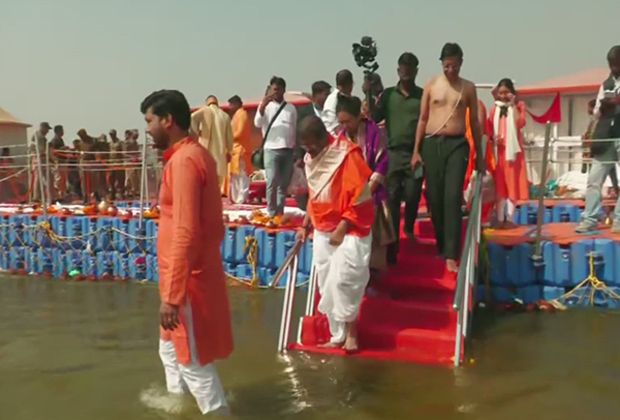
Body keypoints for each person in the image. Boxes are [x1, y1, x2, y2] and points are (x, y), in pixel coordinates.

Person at [141, 89, 233, 415]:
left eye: (150, 121)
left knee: (191, 360)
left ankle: (217, 413)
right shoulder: (193, 154)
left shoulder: (184, 162)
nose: (148, 129)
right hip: (182, 274)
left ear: (168, 120)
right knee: (170, 351)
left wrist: (174, 296)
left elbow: (185, 231)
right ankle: (178, 407)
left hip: (188, 281)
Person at [297, 116, 375, 352]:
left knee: (345, 280)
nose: (308, 151)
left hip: (350, 227)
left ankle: (352, 333)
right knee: (326, 282)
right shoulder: (310, 158)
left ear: (323, 138)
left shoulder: (347, 154)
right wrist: (305, 223)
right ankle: (337, 334)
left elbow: (361, 196)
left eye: (311, 145)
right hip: (321, 227)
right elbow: (315, 195)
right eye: (305, 146)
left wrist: (342, 227)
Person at [412, 43, 485, 273]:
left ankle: (452, 254)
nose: (450, 70)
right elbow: (423, 119)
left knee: (453, 196)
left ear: (461, 62)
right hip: (432, 144)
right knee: (435, 199)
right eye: (446, 66)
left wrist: (480, 156)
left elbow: (474, 121)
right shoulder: (432, 84)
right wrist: (416, 151)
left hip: (457, 145)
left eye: (454, 66)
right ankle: (443, 245)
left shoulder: (468, 88)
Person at [373, 52, 424, 265]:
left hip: (415, 153)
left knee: (413, 195)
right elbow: (376, 118)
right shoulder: (388, 95)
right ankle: (393, 247)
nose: (406, 73)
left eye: (410, 69)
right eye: (402, 69)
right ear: (398, 70)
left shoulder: (422, 95)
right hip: (393, 153)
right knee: (392, 200)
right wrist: (369, 96)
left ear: (415, 71)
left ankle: (409, 227)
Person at [337, 95, 393, 272]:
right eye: (342, 122)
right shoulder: (341, 137)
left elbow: (383, 162)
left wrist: (367, 190)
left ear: (358, 116)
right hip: (350, 195)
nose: (345, 126)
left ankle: (376, 279)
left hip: (373, 192)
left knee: (375, 242)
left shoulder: (374, 133)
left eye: (348, 121)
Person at [576, 46, 620, 233]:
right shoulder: (606, 84)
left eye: (617, 65)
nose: (614, 69)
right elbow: (595, 113)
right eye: (611, 65)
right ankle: (590, 218)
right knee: (594, 180)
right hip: (605, 136)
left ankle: (618, 220)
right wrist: (604, 107)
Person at [487, 79, 530, 228]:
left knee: (512, 186)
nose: (503, 95)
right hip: (499, 153)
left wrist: (513, 105)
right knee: (500, 186)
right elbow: (489, 128)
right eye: (501, 93)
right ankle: (499, 219)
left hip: (513, 154)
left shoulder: (519, 106)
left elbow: (520, 123)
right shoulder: (494, 109)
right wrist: (494, 138)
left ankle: (510, 219)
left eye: (506, 92)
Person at [254, 76, 297, 217]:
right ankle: (271, 212)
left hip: (288, 149)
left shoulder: (291, 108)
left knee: (283, 185)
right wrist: (262, 106)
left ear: (284, 90)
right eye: (274, 89)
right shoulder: (266, 107)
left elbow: (294, 129)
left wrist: (295, 150)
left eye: (279, 89)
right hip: (271, 149)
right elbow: (257, 124)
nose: (276, 92)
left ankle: (280, 212)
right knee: (272, 181)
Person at [191, 96, 233, 194]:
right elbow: (229, 137)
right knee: (218, 181)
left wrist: (196, 132)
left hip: (206, 149)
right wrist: (230, 151)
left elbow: (192, 117)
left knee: (206, 179)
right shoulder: (224, 115)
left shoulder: (205, 110)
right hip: (220, 153)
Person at [228, 95, 252, 204]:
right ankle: (237, 198)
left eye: (231, 104)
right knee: (236, 175)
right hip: (235, 150)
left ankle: (241, 198)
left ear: (236, 104)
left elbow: (240, 132)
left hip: (241, 150)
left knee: (242, 175)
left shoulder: (242, 114)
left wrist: (228, 136)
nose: (229, 107)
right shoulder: (236, 115)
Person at [322, 70, 354, 135]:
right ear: (350, 84)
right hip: (335, 138)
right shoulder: (334, 99)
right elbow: (334, 127)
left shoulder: (343, 97)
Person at [30, 122, 52, 202]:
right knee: (39, 178)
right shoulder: (39, 137)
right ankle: (37, 197)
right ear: (43, 128)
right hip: (39, 158)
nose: (47, 131)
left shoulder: (40, 136)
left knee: (43, 178)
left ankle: (41, 196)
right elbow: (40, 150)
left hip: (41, 158)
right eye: (47, 129)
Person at [109, 129, 126, 200]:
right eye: (110, 134)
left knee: (120, 179)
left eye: (112, 134)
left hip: (118, 163)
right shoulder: (110, 143)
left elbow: (123, 152)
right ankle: (112, 192)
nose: (111, 136)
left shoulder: (120, 143)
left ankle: (121, 193)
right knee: (111, 178)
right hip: (111, 163)